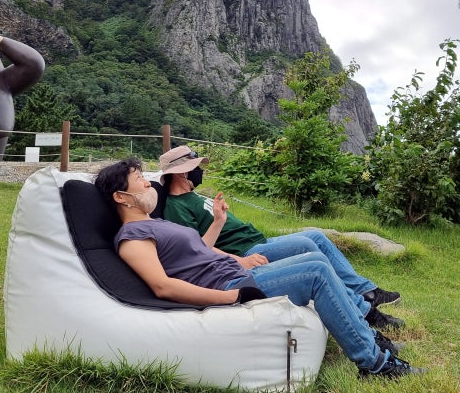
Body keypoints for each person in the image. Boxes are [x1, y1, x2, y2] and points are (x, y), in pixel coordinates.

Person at [95, 158, 426, 379]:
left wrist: (223, 231)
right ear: (122, 197)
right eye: (140, 180)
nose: (149, 185)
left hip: (235, 272)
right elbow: (162, 286)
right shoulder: (132, 236)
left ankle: (368, 336)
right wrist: (231, 297)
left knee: (316, 258)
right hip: (230, 286)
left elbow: (198, 251)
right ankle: (376, 364)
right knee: (316, 272)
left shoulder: (155, 223)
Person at [159, 145, 404, 332]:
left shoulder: (193, 195)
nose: (200, 170)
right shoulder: (176, 207)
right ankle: (363, 310)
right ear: (182, 173)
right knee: (307, 245)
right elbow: (196, 250)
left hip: (257, 239)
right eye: (196, 167)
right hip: (245, 250)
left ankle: (366, 291)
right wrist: (238, 260)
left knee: (316, 236)